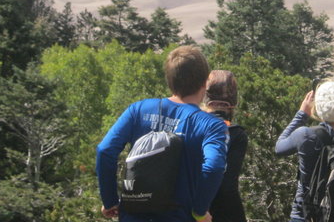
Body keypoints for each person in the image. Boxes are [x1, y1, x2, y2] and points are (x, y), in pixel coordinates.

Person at [96, 46, 227, 222]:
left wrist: (110, 200)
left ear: (169, 80)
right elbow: (214, 167)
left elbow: (105, 150)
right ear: (205, 82)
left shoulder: (138, 110)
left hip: (133, 215)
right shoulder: (212, 125)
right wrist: (199, 211)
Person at [275, 80, 334, 222]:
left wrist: (302, 114)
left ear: (318, 106)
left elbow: (279, 147)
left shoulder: (305, 135)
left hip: (305, 215)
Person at [203, 70, 247, 222]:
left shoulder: (190, 124)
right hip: (222, 211)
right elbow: (227, 185)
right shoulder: (236, 134)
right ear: (233, 102)